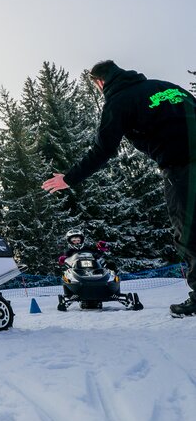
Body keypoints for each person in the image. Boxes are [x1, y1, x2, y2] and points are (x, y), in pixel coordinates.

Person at [42, 60, 196, 317]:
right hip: (185, 161)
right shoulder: (167, 87)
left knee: (189, 231)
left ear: (100, 82)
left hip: (182, 167)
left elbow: (103, 149)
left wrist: (69, 179)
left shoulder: (119, 101)